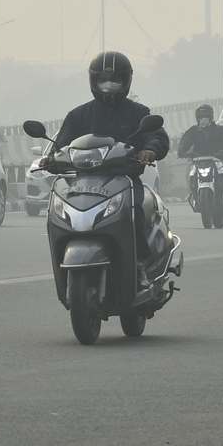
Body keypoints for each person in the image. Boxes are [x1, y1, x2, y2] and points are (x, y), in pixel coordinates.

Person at [47, 51, 170, 286]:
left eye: (115, 81)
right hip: (80, 184)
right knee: (57, 215)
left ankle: (141, 265)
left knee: (137, 211)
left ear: (126, 81)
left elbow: (157, 137)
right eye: (103, 80)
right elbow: (61, 144)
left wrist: (150, 150)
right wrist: (51, 159)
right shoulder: (78, 115)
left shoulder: (139, 113)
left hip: (123, 180)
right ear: (93, 81)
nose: (109, 86)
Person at [177, 104, 223, 210]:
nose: (203, 120)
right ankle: (193, 194)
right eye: (201, 118)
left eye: (206, 117)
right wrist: (182, 152)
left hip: (217, 160)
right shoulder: (193, 131)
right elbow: (183, 143)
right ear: (198, 119)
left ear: (211, 118)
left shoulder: (221, 130)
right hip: (197, 161)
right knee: (189, 173)